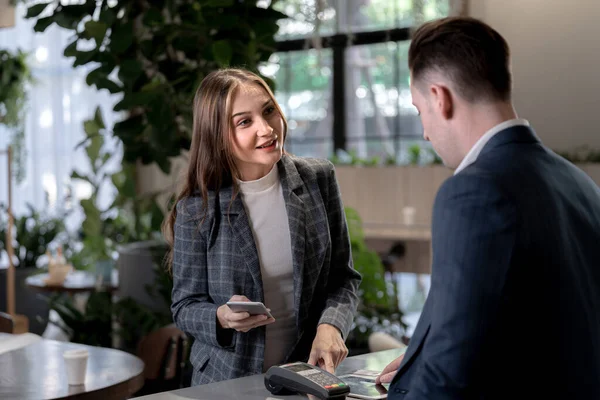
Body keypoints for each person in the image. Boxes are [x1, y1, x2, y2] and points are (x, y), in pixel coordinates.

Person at [378, 16, 600, 399]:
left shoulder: (472, 192)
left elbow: (449, 377)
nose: (426, 132)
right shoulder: (577, 180)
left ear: (440, 98)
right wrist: (420, 359)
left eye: (419, 112)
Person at [163, 68, 361, 385]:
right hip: (225, 380)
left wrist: (331, 326)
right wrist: (220, 317)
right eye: (245, 122)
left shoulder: (318, 179)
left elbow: (343, 279)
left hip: (306, 376)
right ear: (219, 137)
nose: (267, 129)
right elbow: (184, 307)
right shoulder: (197, 208)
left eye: (268, 111)